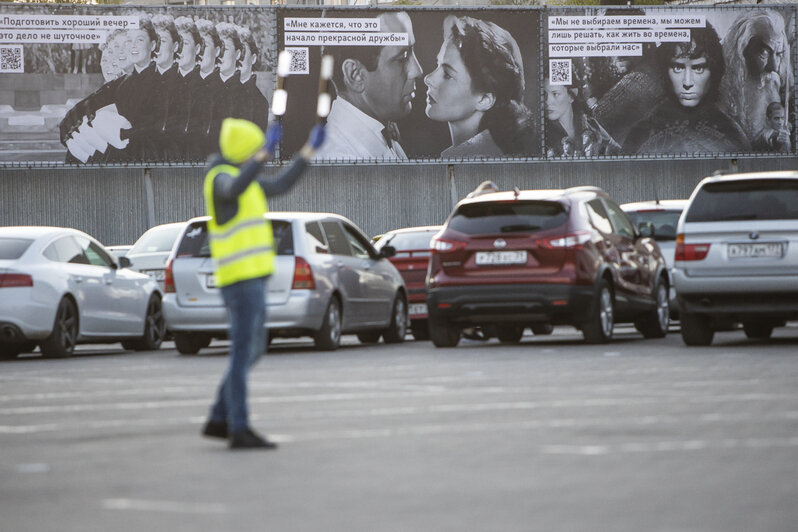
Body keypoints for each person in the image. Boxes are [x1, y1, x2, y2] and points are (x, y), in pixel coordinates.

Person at [201, 118, 326, 449]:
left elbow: (282, 185)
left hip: (254, 278)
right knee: (243, 353)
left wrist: (309, 151)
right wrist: (262, 157)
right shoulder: (220, 179)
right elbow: (234, 189)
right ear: (245, 151)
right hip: (239, 281)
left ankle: (217, 417)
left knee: (253, 350)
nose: (261, 153)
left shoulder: (249, 181)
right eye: (255, 148)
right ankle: (238, 428)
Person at [623, 24, 750, 155]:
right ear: (664, 71)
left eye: (698, 68)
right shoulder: (640, 133)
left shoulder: (733, 134)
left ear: (714, 71)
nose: (687, 82)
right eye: (678, 68)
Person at [313, 11, 422, 161]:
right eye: (402, 58)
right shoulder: (340, 158)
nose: (418, 71)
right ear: (355, 75)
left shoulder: (380, 130)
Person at [423, 15, 534, 158]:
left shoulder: (482, 160)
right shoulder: (470, 154)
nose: (428, 78)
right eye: (437, 65)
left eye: (447, 74)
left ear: (484, 100)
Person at [719, 10, 791, 145]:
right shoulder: (721, 89)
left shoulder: (773, 82)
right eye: (764, 54)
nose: (774, 67)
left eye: (779, 54)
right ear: (742, 50)